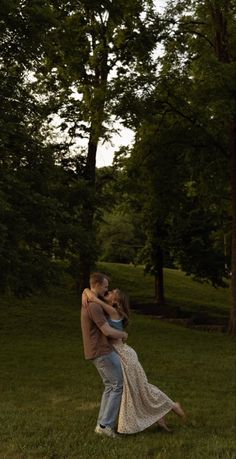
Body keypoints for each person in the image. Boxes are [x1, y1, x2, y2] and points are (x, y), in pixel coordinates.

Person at [83, 287, 186, 435]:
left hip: (124, 355)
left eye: (112, 293)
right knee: (136, 390)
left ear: (115, 301)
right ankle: (160, 417)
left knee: (141, 388)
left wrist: (87, 293)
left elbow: (94, 299)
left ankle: (172, 405)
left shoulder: (113, 312)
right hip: (120, 354)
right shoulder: (110, 311)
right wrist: (86, 291)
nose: (109, 292)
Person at [80, 273, 128, 439]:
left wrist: (86, 291)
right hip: (101, 350)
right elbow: (106, 331)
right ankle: (106, 426)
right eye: (106, 286)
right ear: (98, 285)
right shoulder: (93, 306)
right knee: (117, 385)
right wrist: (123, 334)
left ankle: (102, 425)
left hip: (99, 350)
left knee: (110, 385)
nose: (107, 289)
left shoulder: (91, 301)